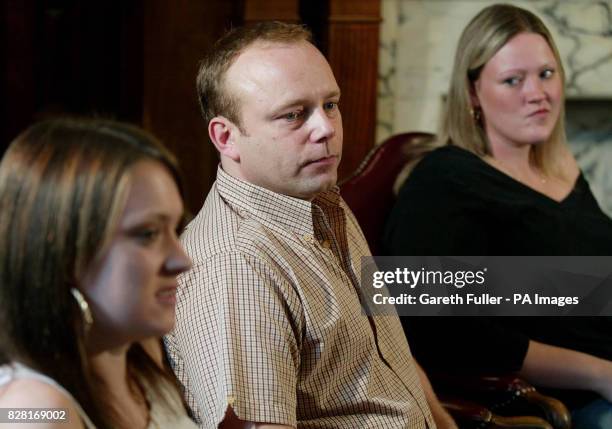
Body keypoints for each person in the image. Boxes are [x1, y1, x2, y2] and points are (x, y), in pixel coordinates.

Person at [165, 21, 456, 429]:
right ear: (226, 138)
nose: (326, 129)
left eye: (330, 105)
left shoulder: (321, 198)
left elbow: (391, 362)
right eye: (294, 115)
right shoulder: (235, 266)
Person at [383, 4, 612, 429]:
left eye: (546, 73)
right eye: (513, 80)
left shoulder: (561, 171)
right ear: (472, 93)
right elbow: (441, 331)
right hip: (560, 401)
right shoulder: (445, 179)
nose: (536, 93)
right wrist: (600, 374)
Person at [0, 118, 197, 429]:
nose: (181, 259)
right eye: (147, 234)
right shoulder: (33, 409)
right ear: (62, 250)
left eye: (174, 229)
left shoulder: (140, 358)